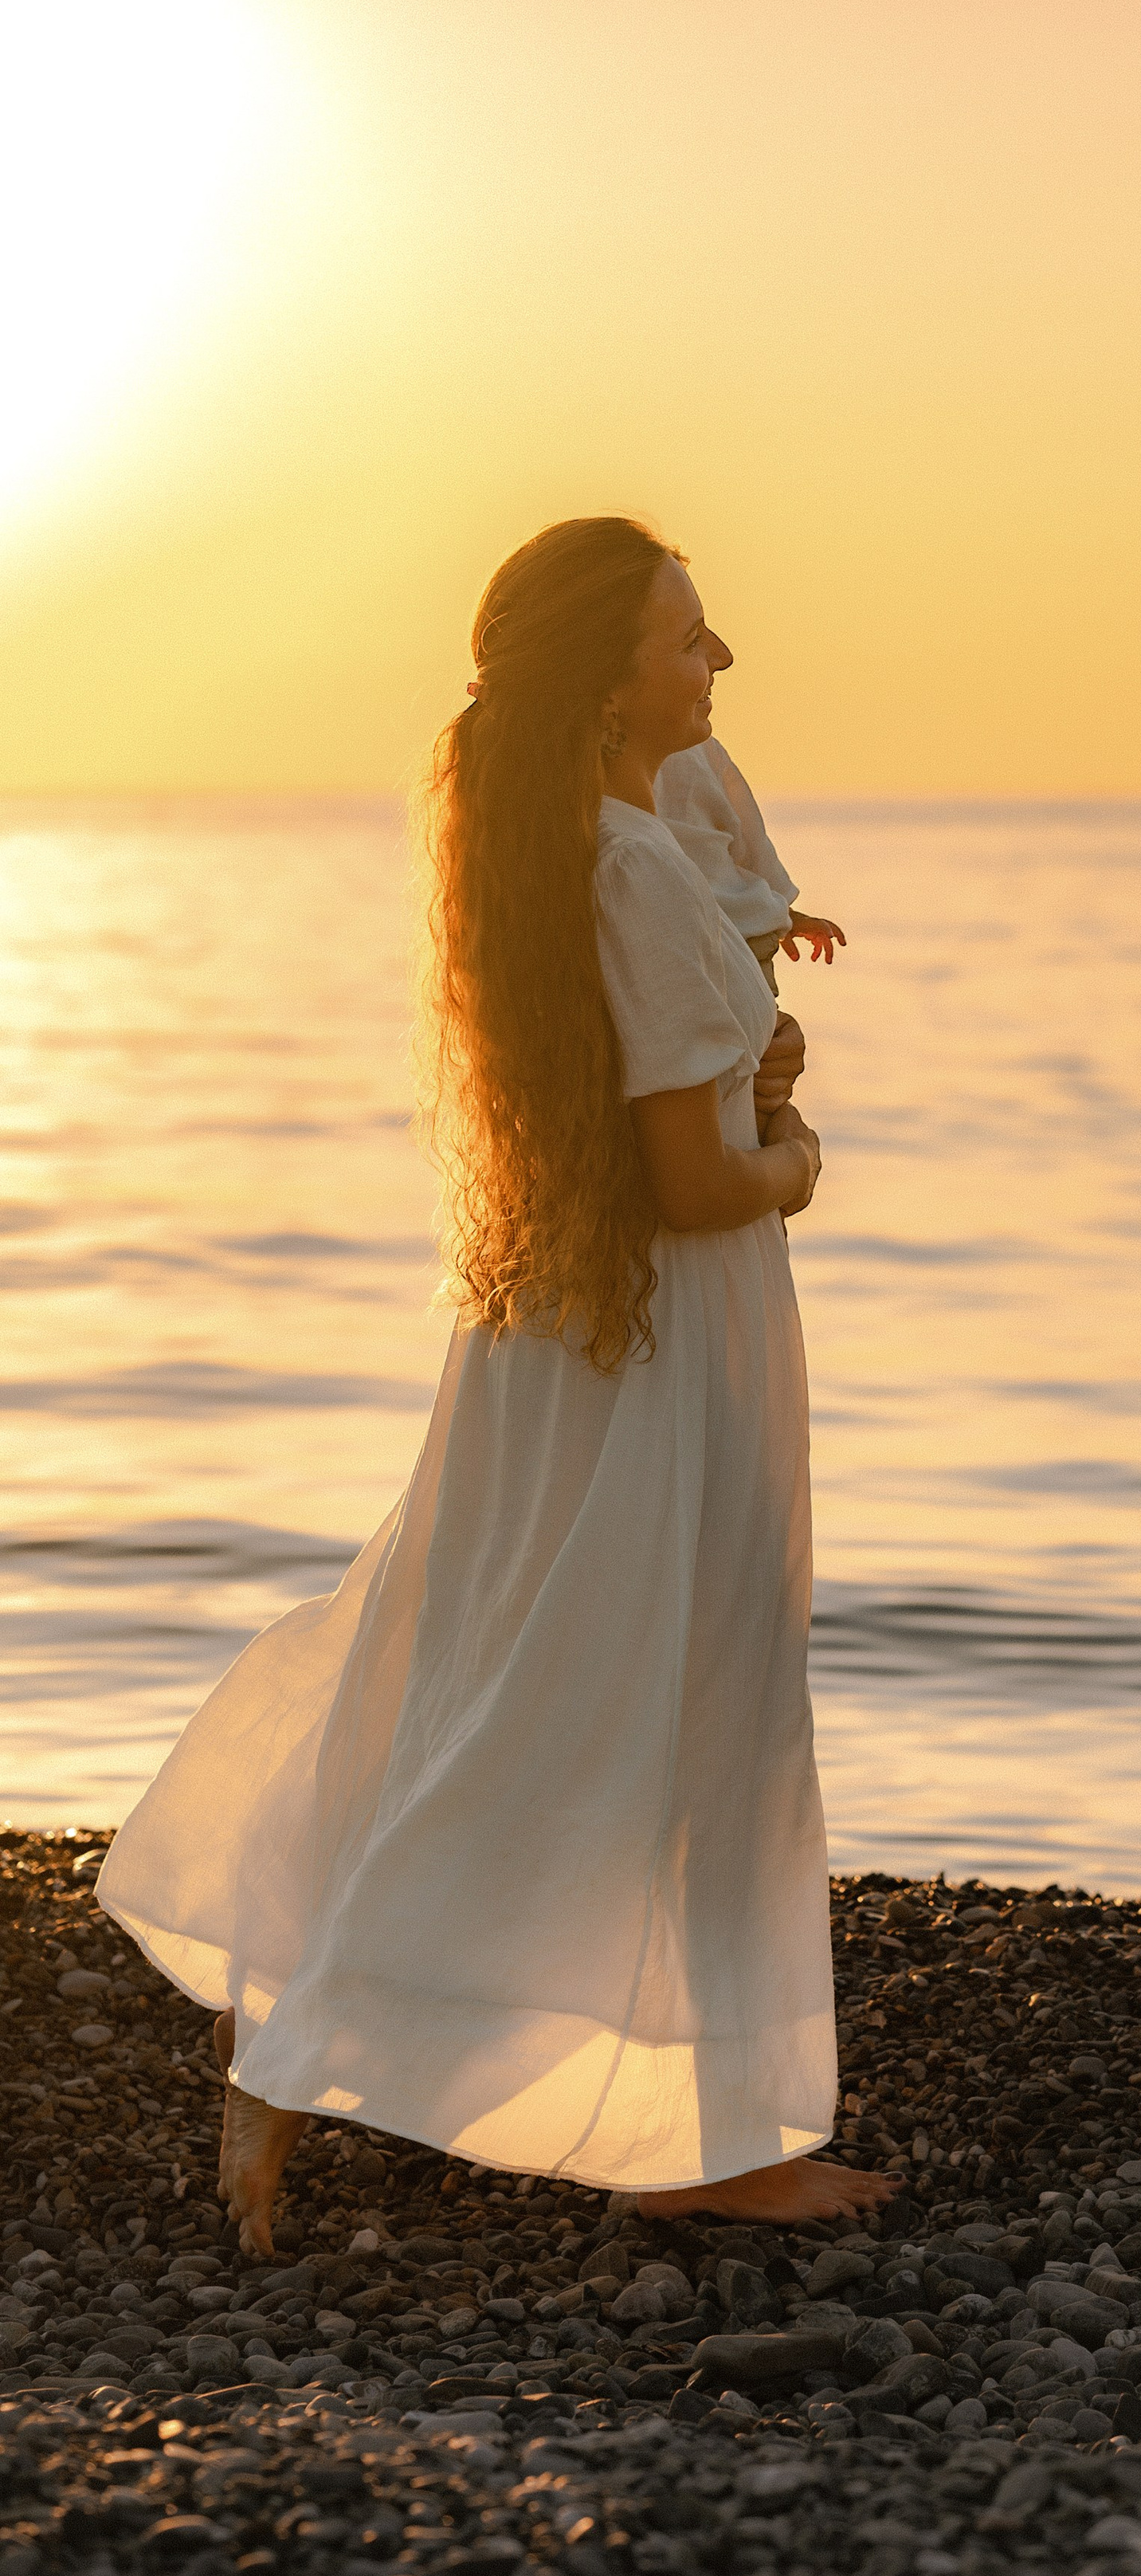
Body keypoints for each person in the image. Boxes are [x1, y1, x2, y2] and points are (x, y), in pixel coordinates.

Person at [96, 516, 896, 2249]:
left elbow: (653, 1047)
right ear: (610, 679)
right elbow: (697, 1183)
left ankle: (303, 2016)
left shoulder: (545, 847)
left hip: (549, 1329)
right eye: (690, 640)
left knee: (478, 1656)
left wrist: (740, 1053)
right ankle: (704, 2139)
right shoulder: (630, 871)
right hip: (667, 1340)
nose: (721, 662)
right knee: (678, 1698)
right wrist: (798, 1143)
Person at [654, 736, 847, 995]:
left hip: (746, 940)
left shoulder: (702, 745)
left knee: (767, 1028)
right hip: (682, 953)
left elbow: (751, 840)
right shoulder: (599, 758)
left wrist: (784, 912)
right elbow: (751, 842)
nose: (708, 692)